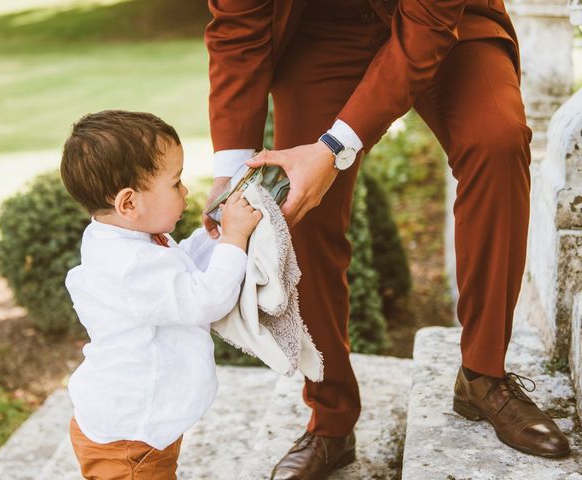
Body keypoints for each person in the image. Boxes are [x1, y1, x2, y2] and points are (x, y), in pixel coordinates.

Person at [203, 0, 571, 478]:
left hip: (444, 20)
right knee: (297, 210)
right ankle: (330, 417)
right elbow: (238, 26)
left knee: (497, 141)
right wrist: (232, 172)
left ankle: (484, 376)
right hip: (321, 29)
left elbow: (428, 24)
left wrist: (333, 147)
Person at [60, 110, 262, 479]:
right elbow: (204, 299)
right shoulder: (130, 264)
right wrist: (234, 238)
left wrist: (211, 236)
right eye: (176, 183)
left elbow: (178, 272)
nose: (185, 191)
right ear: (129, 203)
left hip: (137, 428)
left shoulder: (122, 236)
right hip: (130, 441)